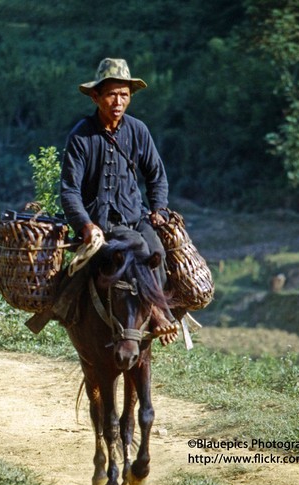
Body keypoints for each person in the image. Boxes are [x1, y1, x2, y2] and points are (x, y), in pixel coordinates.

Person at [60, 57, 179, 344]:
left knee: (157, 250)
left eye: (124, 94)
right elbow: (69, 190)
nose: (118, 101)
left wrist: (159, 209)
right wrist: (86, 225)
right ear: (95, 96)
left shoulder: (138, 130)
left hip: (135, 216)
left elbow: (156, 175)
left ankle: (160, 312)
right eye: (111, 93)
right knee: (137, 246)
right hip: (101, 223)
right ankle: (159, 314)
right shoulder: (81, 136)